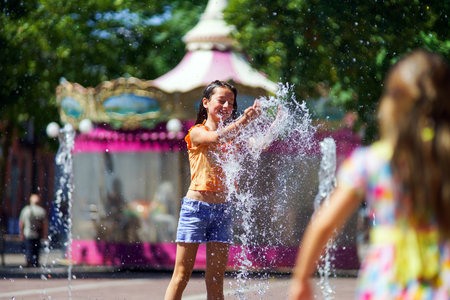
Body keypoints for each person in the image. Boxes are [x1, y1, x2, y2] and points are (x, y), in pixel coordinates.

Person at [289, 50, 450, 300]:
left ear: (391, 105)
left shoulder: (371, 163)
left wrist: (301, 279)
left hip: (387, 281)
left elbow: (324, 224)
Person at [164, 80, 276, 300]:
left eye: (231, 103)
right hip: (196, 209)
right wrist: (245, 119)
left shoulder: (234, 135)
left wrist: (275, 126)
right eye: (221, 101)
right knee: (182, 274)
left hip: (223, 210)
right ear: (205, 102)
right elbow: (217, 138)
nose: (226, 106)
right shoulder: (197, 132)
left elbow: (259, 145)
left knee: (216, 277)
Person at [19, 194, 47, 268]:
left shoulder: (25, 210)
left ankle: (29, 261)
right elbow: (44, 224)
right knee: (36, 249)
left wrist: (21, 232)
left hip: (27, 233)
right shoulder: (41, 211)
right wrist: (45, 234)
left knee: (28, 248)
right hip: (37, 233)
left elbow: (21, 223)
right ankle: (35, 262)